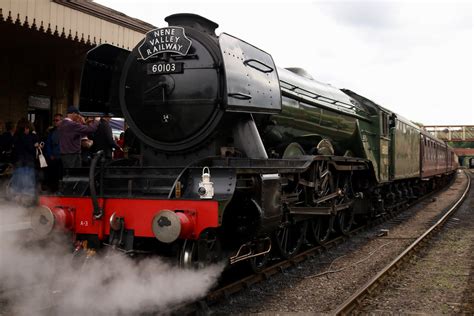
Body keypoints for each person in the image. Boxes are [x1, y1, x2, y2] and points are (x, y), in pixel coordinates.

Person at [10, 118, 39, 202]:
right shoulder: (30, 137)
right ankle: (26, 208)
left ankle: (15, 209)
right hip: (28, 165)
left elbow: (14, 150)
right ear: (27, 128)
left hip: (17, 165)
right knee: (27, 189)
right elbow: (31, 149)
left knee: (17, 189)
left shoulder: (15, 136)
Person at [43, 113, 63, 191]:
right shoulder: (51, 131)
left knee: (60, 176)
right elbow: (48, 144)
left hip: (62, 157)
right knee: (52, 176)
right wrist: (50, 154)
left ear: (61, 121)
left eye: (57, 120)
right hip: (53, 157)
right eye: (54, 120)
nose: (55, 122)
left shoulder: (65, 131)